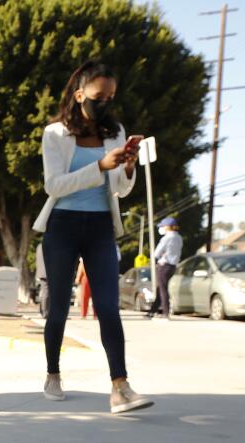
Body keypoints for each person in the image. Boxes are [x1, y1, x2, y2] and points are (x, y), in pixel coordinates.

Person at [33, 60, 153, 414]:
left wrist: (127, 167)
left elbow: (119, 189)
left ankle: (120, 387)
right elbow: (54, 185)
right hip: (63, 225)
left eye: (111, 97)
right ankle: (53, 374)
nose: (105, 103)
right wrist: (99, 166)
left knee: (108, 307)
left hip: (101, 226)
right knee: (58, 309)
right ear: (80, 94)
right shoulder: (54, 134)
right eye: (99, 96)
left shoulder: (115, 132)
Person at [147, 216, 183, 319]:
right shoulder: (179, 237)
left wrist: (154, 258)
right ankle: (152, 311)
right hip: (173, 266)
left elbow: (157, 253)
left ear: (168, 227)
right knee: (160, 288)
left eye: (163, 226)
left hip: (164, 265)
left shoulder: (166, 238)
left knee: (162, 289)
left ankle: (165, 313)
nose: (162, 228)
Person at [36, 240, 49, 318]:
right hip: (46, 272)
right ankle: (45, 312)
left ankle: (42, 311)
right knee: (46, 293)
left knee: (44, 292)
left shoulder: (39, 246)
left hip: (41, 272)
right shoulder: (47, 245)